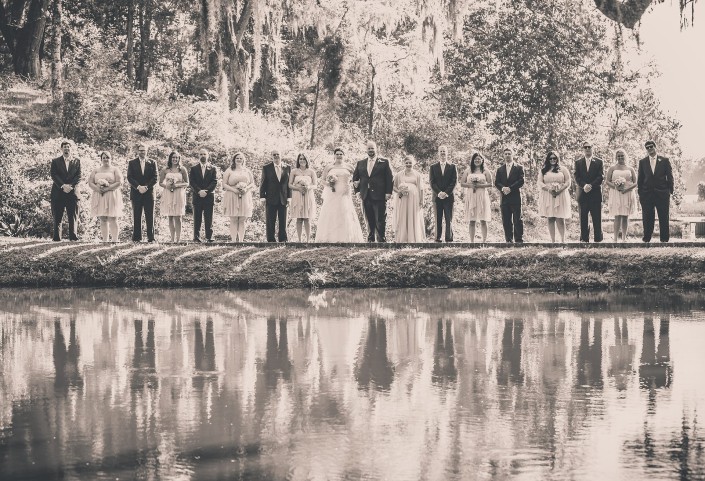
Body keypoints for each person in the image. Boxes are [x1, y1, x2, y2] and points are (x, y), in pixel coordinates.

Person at [316, 148, 364, 243]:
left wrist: (357, 184)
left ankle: (345, 238)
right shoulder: (329, 167)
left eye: (341, 154)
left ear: (344, 155)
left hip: (345, 194)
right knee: (331, 213)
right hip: (332, 193)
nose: (339, 156)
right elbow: (322, 180)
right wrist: (329, 184)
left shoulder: (349, 166)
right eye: (337, 154)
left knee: (345, 213)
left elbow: (357, 178)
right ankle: (330, 238)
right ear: (334, 155)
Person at [352, 141, 394, 242]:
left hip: (380, 195)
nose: (371, 150)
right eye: (369, 148)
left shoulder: (385, 162)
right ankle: (370, 240)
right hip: (365, 195)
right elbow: (355, 179)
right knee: (369, 218)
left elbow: (390, 178)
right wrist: (357, 192)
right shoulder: (360, 163)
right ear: (366, 150)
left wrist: (388, 192)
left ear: (376, 149)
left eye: (372, 148)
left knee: (380, 219)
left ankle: (381, 240)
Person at [637, 140, 674, 242]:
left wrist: (670, 191)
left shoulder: (665, 160)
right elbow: (640, 178)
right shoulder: (642, 162)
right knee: (647, 217)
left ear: (655, 147)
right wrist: (640, 193)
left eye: (651, 146)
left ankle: (664, 239)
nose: (649, 149)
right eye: (647, 147)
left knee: (663, 216)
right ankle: (647, 238)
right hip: (647, 194)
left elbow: (670, 177)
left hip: (662, 193)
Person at [88, 151, 123, 242]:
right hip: (100, 195)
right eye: (104, 158)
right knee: (103, 218)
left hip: (111, 194)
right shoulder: (96, 170)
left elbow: (119, 182)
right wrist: (97, 188)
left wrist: (108, 188)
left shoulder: (115, 169)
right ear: (101, 159)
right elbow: (90, 182)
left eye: (107, 157)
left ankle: (115, 240)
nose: (106, 159)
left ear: (110, 159)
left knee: (113, 217)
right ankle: (105, 240)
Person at [537, 151, 572, 243]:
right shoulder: (544, 170)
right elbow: (540, 182)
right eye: (550, 158)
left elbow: (568, 181)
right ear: (548, 159)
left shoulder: (563, 169)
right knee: (550, 217)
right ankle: (552, 241)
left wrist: (560, 190)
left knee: (560, 218)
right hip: (548, 195)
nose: (552, 160)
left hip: (560, 195)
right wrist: (548, 189)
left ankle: (563, 240)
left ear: (557, 159)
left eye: (554, 158)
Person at [50, 141, 81, 241]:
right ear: (61, 149)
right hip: (58, 192)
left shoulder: (77, 161)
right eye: (64, 147)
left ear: (71, 149)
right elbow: (53, 175)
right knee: (57, 217)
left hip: (72, 193)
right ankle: (57, 238)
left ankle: (73, 237)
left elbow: (79, 176)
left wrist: (71, 186)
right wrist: (63, 186)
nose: (66, 149)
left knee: (73, 216)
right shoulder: (55, 161)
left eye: (68, 147)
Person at [127, 143, 158, 243]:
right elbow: (129, 177)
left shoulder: (152, 162)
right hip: (136, 192)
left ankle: (151, 238)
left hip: (149, 193)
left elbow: (155, 177)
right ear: (137, 151)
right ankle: (136, 238)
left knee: (150, 216)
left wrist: (146, 187)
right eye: (140, 150)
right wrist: (138, 187)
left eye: (144, 150)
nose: (142, 152)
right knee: (136, 215)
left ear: (147, 151)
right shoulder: (132, 163)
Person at [574, 141, 604, 243]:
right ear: (583, 149)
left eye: (589, 147)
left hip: (595, 193)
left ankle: (598, 239)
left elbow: (600, 177)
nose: (587, 149)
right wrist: (584, 185)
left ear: (592, 148)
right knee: (583, 218)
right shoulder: (578, 162)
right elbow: (576, 177)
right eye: (585, 147)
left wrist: (590, 185)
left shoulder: (599, 162)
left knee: (596, 218)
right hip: (583, 194)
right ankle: (584, 239)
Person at [605, 149, 637, 242]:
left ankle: (623, 238)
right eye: (618, 156)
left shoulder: (630, 168)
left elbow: (635, 183)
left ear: (625, 156)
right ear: (616, 157)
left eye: (622, 155)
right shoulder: (612, 168)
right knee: (617, 215)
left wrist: (627, 189)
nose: (620, 157)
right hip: (616, 193)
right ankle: (615, 238)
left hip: (627, 193)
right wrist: (616, 187)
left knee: (625, 216)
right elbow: (607, 181)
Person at [222, 152, 255, 242]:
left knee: (242, 219)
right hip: (232, 195)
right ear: (234, 160)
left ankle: (240, 241)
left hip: (245, 195)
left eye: (241, 158)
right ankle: (233, 240)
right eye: (237, 158)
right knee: (233, 218)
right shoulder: (229, 170)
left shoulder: (247, 171)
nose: (239, 160)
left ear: (243, 160)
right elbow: (224, 184)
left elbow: (252, 183)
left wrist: (246, 188)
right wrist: (234, 190)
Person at [460, 152, 492, 243]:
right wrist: (470, 185)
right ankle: (472, 241)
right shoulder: (468, 170)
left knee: (483, 219)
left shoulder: (486, 171)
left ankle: (484, 241)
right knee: (472, 220)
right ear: (473, 160)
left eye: (479, 159)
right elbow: (462, 183)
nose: (477, 160)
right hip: (471, 195)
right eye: (475, 159)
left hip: (482, 195)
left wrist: (480, 185)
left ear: (482, 160)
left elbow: (491, 184)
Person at [260, 150, 291, 242]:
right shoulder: (266, 168)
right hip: (270, 198)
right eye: (274, 155)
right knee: (270, 220)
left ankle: (283, 239)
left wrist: (289, 198)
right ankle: (271, 240)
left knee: (283, 220)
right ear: (271, 156)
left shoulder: (287, 167)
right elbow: (263, 183)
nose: (276, 156)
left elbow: (289, 184)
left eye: (278, 154)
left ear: (281, 155)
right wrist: (262, 197)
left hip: (283, 198)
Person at [392, 155, 425, 243]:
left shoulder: (417, 175)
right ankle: (403, 238)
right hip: (403, 199)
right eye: (406, 163)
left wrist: (421, 200)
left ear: (413, 163)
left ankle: (413, 238)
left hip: (414, 200)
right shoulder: (399, 174)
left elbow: (421, 189)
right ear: (404, 163)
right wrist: (399, 191)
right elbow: (394, 187)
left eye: (410, 163)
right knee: (403, 216)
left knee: (413, 215)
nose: (408, 164)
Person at [494, 147, 524, 243]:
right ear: (504, 155)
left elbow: (521, 181)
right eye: (505, 154)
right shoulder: (500, 169)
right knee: (506, 220)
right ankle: (508, 240)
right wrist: (503, 188)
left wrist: (510, 188)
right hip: (504, 198)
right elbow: (497, 182)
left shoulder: (519, 167)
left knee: (517, 220)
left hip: (515, 197)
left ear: (513, 155)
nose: (507, 155)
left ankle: (519, 240)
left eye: (509, 153)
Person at [159, 151, 189, 243]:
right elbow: (160, 183)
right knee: (170, 216)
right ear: (170, 159)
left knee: (178, 216)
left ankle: (178, 239)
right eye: (173, 157)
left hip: (179, 193)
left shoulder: (182, 169)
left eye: (177, 157)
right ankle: (172, 239)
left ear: (179, 159)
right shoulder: (165, 169)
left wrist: (177, 185)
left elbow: (187, 183)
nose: (175, 159)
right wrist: (166, 186)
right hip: (168, 193)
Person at [429, 145, 457, 242]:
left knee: (448, 218)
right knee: (438, 218)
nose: (442, 153)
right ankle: (438, 238)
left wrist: (446, 193)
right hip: (437, 197)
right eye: (440, 151)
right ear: (438, 153)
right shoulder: (433, 167)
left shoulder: (453, 167)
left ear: (447, 153)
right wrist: (439, 193)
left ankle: (449, 238)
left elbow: (454, 182)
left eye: (444, 151)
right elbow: (432, 182)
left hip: (449, 197)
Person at [189, 148, 218, 242]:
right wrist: (199, 191)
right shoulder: (194, 169)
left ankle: (209, 237)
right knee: (197, 218)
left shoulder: (213, 168)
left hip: (208, 196)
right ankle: (196, 237)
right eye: (201, 154)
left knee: (209, 218)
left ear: (208, 156)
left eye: (204, 154)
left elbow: (214, 182)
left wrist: (206, 191)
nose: (203, 156)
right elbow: (192, 182)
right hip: (197, 196)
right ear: (198, 156)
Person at [289, 153, 318, 242]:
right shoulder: (294, 171)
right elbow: (289, 185)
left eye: (304, 159)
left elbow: (315, 185)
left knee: (307, 218)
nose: (302, 160)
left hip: (308, 195)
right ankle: (299, 240)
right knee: (299, 218)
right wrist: (298, 188)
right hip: (297, 195)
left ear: (307, 160)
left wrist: (308, 187)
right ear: (298, 160)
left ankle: (308, 240)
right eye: (300, 159)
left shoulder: (311, 171)